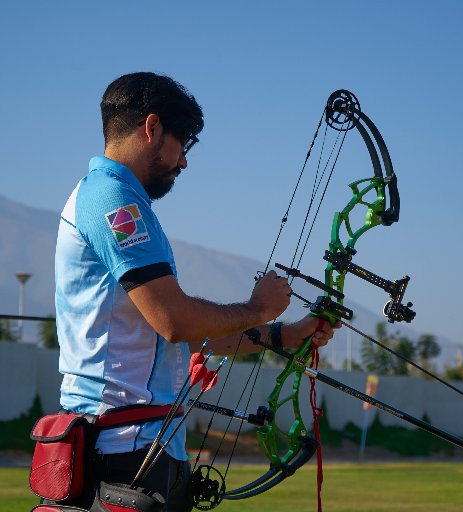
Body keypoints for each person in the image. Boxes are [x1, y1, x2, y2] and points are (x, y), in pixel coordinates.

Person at [55, 72, 339, 511]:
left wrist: (285, 335)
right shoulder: (111, 202)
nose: (183, 162)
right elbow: (176, 322)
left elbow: (183, 336)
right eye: (182, 144)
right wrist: (257, 308)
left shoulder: (117, 200)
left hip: (133, 450)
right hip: (120, 453)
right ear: (152, 128)